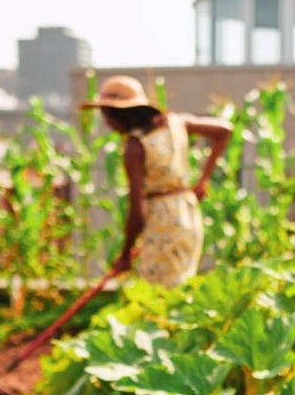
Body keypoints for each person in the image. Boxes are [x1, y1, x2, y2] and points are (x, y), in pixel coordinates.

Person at [81, 75, 232, 287]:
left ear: (121, 114)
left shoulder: (135, 146)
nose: (107, 123)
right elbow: (225, 130)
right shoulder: (175, 123)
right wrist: (202, 181)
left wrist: (124, 255)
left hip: (161, 222)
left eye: (107, 115)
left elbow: (136, 211)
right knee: (179, 289)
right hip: (187, 213)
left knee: (155, 295)